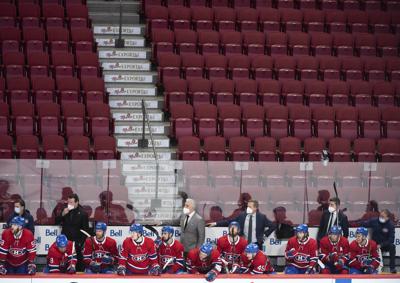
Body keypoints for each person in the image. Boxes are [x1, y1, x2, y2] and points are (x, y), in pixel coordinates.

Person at [209, 199, 276, 250]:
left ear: (255, 208)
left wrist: (265, 235)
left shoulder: (261, 217)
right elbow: (229, 221)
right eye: (247, 207)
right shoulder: (242, 215)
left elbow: (273, 226)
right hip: (243, 243)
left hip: (257, 244)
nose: (248, 208)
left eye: (250, 207)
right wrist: (216, 223)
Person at [55, 193, 89, 271]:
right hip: (65, 244)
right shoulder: (65, 210)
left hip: (77, 244)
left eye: (71, 202)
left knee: (78, 265)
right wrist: (62, 214)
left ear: (77, 202)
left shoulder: (83, 214)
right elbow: (56, 221)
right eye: (68, 202)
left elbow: (85, 231)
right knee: (65, 265)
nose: (69, 204)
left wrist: (80, 243)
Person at [360, 209, 396, 274]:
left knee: (392, 246)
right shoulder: (374, 220)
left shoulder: (390, 225)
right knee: (368, 246)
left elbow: (391, 240)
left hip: (384, 245)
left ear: (387, 217)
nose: (381, 217)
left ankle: (392, 268)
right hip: (374, 244)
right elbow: (364, 223)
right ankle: (367, 267)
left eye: (383, 216)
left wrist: (381, 245)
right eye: (380, 216)